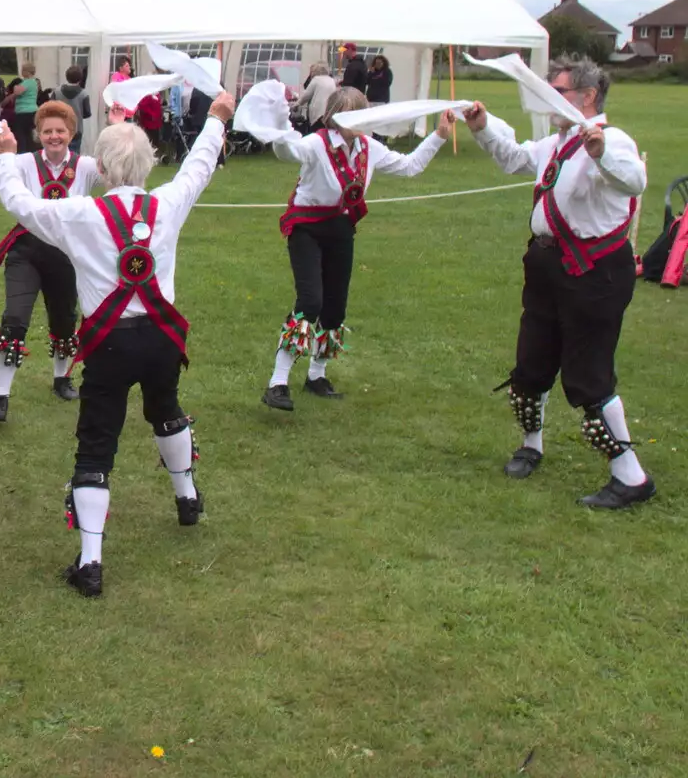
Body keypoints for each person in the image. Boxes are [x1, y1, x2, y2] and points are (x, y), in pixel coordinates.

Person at [0, 91, 235, 597]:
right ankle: (186, 498)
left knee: (98, 441)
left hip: (109, 344)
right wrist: (215, 120)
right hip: (163, 339)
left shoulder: (79, 214)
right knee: (166, 408)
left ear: (99, 167)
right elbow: (200, 166)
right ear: (150, 162)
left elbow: (19, 203)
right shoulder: (167, 203)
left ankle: (92, 561)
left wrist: (6, 155)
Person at [463, 57, 654, 508]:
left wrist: (601, 151)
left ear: (587, 97)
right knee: (531, 364)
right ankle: (531, 445)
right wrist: (484, 126)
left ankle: (631, 478)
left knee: (588, 376)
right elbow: (514, 158)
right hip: (548, 267)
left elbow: (635, 181)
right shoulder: (558, 141)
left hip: (594, 274)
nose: (551, 98)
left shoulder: (613, 140)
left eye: (559, 92)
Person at [263, 88, 451, 410]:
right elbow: (286, 153)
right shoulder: (315, 144)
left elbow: (409, 167)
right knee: (310, 301)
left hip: (341, 230)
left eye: (362, 113)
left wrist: (439, 135)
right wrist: (280, 125)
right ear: (334, 116)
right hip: (306, 227)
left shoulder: (369, 147)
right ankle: (277, 383)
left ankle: (316, 376)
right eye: (351, 114)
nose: (358, 121)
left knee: (335, 308)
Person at [0, 100, 100, 421]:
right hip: (26, 252)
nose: (54, 136)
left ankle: (61, 378)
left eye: (60, 130)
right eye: (47, 131)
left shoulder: (85, 166)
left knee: (64, 319)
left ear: (71, 133)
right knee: (15, 319)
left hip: (67, 253)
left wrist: (118, 124)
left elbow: (116, 170)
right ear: (38, 134)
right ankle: (1, 395)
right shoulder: (23, 163)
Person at [57, 66, 93, 153]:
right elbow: (87, 113)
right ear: (80, 78)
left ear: (66, 76)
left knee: (60, 153)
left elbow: (51, 108)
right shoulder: (84, 94)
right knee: (74, 155)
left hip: (59, 127)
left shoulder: (57, 91)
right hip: (76, 129)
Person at [295, 63, 337, 130]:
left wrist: (296, 104)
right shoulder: (332, 80)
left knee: (315, 131)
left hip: (318, 113)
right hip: (329, 112)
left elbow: (306, 96)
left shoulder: (316, 79)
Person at [10, 63, 41, 154]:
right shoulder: (34, 82)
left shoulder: (28, 82)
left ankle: (22, 153)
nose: (21, 72)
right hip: (32, 110)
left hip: (24, 112)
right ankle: (30, 152)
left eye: (23, 70)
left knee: (21, 134)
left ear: (27, 71)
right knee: (28, 134)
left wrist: (15, 86)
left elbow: (17, 92)